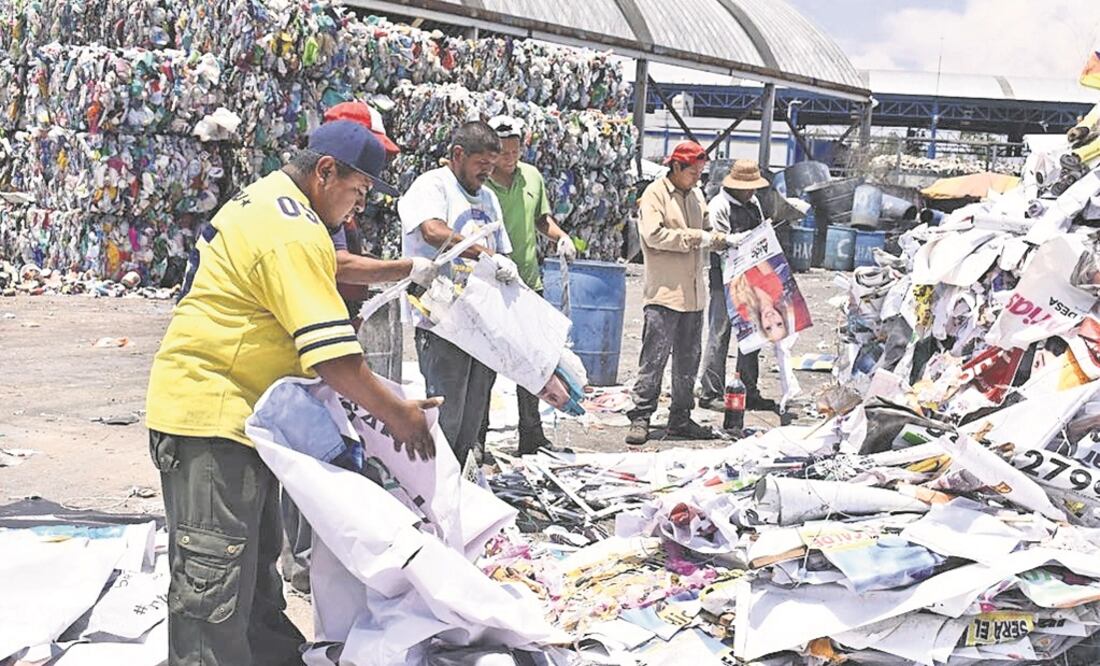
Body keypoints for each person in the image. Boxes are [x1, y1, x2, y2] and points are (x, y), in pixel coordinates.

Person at [146, 120, 441, 666]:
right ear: (326, 172)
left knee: (254, 578)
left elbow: (334, 269)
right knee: (214, 593)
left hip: (241, 416)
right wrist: (397, 415)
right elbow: (335, 359)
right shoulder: (293, 230)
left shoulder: (271, 202)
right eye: (357, 191)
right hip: (210, 417)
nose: (356, 208)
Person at [398, 120, 517, 467]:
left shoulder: (489, 197)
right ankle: (436, 488)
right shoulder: (431, 186)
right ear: (458, 155)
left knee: (473, 414)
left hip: (480, 320)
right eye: (481, 165)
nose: (486, 174)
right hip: (440, 317)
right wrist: (487, 255)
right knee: (446, 410)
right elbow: (433, 231)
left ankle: (463, 484)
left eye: (492, 167)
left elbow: (501, 248)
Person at [625, 141, 730, 446]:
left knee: (688, 360)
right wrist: (699, 238)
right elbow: (654, 236)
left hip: (694, 295)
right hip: (664, 293)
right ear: (676, 168)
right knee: (654, 359)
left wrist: (725, 239)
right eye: (693, 172)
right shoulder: (654, 195)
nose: (698, 178)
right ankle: (641, 416)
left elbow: (709, 228)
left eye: (701, 172)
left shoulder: (697, 195)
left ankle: (681, 417)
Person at [484, 114, 576, 454]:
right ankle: (477, 436)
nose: (510, 158)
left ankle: (531, 434)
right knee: (486, 365)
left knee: (533, 362)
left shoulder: (532, 177)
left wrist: (561, 236)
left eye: (515, 151)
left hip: (528, 284)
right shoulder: (480, 182)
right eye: (504, 152)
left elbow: (542, 220)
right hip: (491, 284)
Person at [323, 101, 438, 327]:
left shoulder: (340, 202)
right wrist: (407, 268)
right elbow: (338, 264)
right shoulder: (323, 209)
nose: (361, 205)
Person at [697, 159, 778, 412]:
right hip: (725, 279)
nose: (752, 192)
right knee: (719, 334)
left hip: (752, 278)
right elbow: (717, 243)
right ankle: (711, 392)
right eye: (748, 187)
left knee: (753, 336)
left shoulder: (753, 204)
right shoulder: (718, 206)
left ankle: (749, 390)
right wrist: (737, 241)